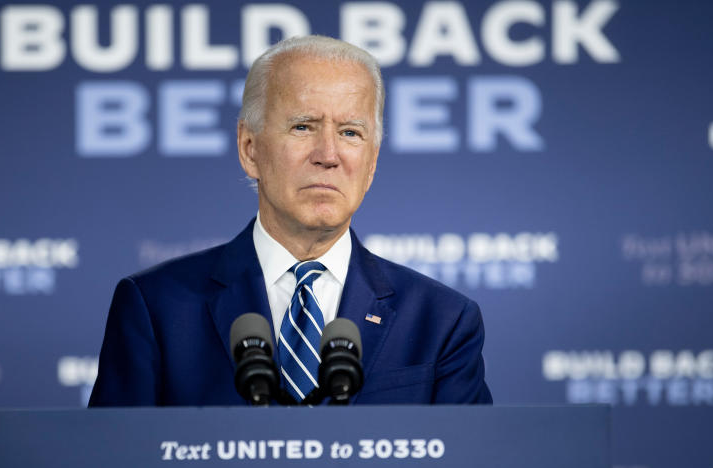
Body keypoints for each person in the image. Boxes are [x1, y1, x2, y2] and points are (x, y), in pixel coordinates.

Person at [89, 35, 492, 407]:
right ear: (250, 149)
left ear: (371, 164)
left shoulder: (442, 321)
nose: (328, 154)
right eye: (303, 127)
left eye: (351, 133)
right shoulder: (156, 308)